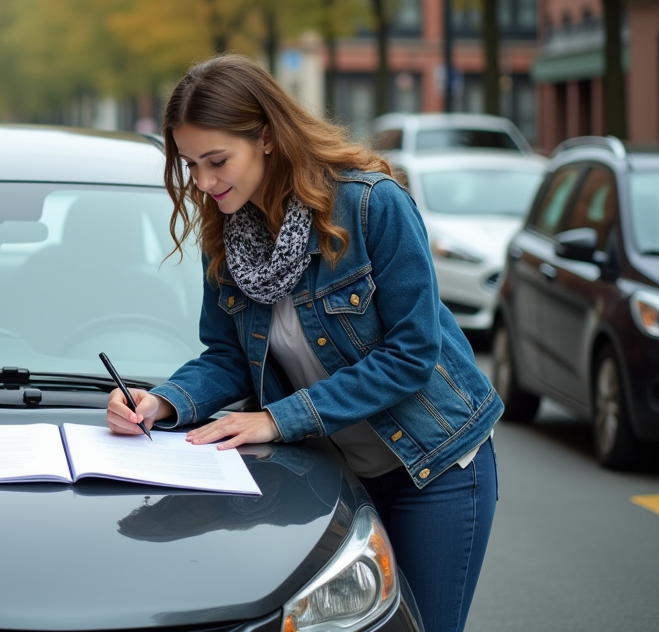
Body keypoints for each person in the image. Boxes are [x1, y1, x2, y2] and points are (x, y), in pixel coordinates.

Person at [106, 54, 502, 632]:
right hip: (337, 470)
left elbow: (412, 354)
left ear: (266, 137)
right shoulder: (227, 231)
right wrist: (164, 402)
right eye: (192, 165)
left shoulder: (371, 205)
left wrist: (277, 419)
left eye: (218, 161)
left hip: (435, 463)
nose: (205, 183)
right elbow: (228, 357)